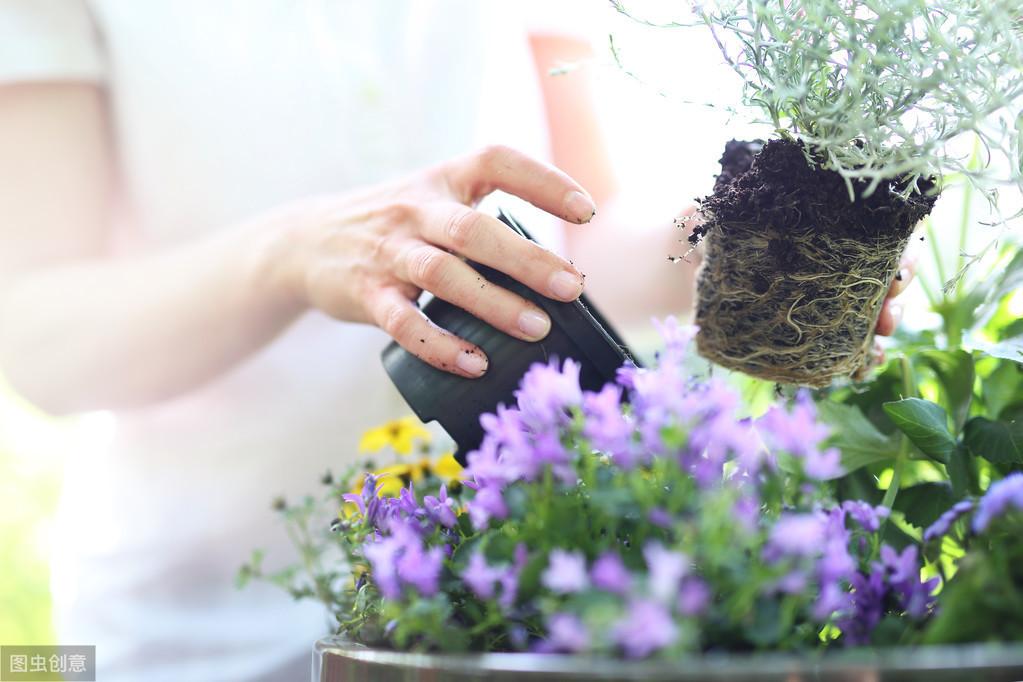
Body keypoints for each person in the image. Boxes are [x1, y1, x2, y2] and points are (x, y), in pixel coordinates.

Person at [0, 2, 909, 680]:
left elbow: (576, 237)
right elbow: (41, 334)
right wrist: (287, 251)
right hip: (200, 635)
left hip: (510, 613)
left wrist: (750, 240)